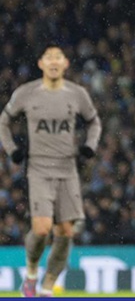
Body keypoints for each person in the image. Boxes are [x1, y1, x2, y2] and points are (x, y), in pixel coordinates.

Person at [0, 45, 102, 297]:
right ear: (41, 64)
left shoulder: (77, 94)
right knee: (43, 228)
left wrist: (90, 146)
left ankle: (47, 287)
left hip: (68, 170)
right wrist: (12, 149)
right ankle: (32, 273)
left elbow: (94, 121)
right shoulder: (26, 93)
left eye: (58, 57)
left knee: (66, 231)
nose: (54, 61)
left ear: (66, 63)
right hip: (39, 168)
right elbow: (4, 121)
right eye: (49, 57)